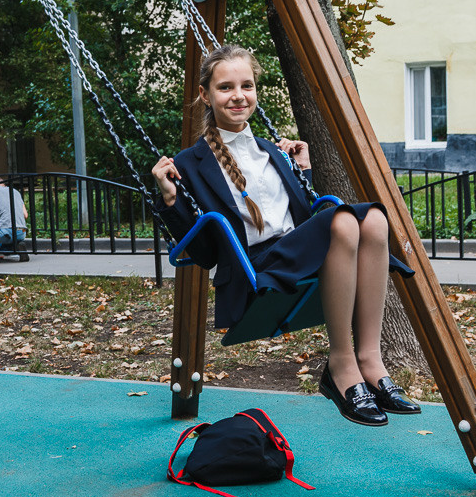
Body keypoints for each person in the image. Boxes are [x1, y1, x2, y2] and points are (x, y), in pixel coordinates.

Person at [152, 44, 418, 427]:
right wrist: (170, 198)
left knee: (375, 219)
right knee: (343, 221)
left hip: (295, 252)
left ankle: (370, 360)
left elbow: (300, 218)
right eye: (226, 87)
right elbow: (205, 253)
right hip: (255, 267)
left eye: (247, 85)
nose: (238, 96)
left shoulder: (270, 151)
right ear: (205, 94)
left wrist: (302, 172)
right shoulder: (188, 165)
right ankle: (340, 366)